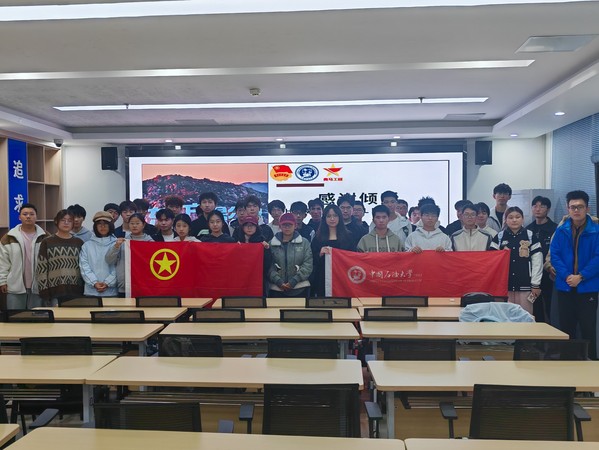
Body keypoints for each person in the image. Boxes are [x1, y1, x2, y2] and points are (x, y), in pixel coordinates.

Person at [550, 190, 599, 359]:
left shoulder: (596, 231)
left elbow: (597, 258)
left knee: (588, 328)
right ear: (568, 208)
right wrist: (567, 276)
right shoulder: (561, 230)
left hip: (588, 287)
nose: (576, 210)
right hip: (565, 285)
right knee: (566, 328)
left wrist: (581, 276)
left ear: (587, 208)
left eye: (580, 207)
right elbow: (555, 255)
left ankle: (590, 362)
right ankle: (567, 362)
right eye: (573, 207)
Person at [491, 206, 542, 315]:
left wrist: (535, 284)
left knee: (525, 317)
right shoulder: (499, 237)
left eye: (518, 217)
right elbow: (492, 261)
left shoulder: (530, 236)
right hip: (505, 286)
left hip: (525, 285)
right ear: (505, 220)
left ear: (523, 219)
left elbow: (537, 262)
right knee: (505, 317)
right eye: (510, 217)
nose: (514, 220)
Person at [0, 203, 49, 309]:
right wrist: (2, 281)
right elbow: (3, 262)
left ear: (36, 217)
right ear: (19, 217)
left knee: (36, 316)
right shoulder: (9, 237)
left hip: (39, 286)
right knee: (15, 316)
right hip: (15, 285)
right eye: (25, 214)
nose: (28, 216)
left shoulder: (45, 237)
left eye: (31, 214)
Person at [36, 209, 84, 305]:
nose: (66, 223)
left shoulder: (79, 242)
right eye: (63, 220)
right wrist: (44, 290)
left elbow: (83, 266)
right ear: (56, 221)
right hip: (54, 291)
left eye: (69, 220)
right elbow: (42, 268)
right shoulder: (47, 242)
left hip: (76, 290)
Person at [311, 204, 356, 296]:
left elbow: (353, 258)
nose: (332, 219)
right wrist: (319, 254)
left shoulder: (348, 237)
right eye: (329, 216)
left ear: (339, 217)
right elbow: (311, 259)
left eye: (335, 216)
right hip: (323, 278)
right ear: (324, 218)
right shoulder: (318, 238)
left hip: (343, 277)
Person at [526, 195, 558, 322]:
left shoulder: (555, 229)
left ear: (548, 209)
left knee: (551, 305)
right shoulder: (528, 229)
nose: (538, 209)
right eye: (535, 206)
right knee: (534, 305)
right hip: (533, 275)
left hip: (549, 273)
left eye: (542, 206)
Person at [106, 212, 154, 296]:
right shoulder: (122, 242)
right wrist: (116, 246)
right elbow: (109, 260)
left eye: (137, 223)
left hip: (145, 286)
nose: (134, 226)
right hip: (125, 286)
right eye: (132, 223)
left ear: (143, 225)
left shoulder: (151, 243)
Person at [268, 213, 313, 297]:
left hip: (300, 288)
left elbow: (308, 264)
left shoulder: (304, 243)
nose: (287, 227)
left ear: (295, 226)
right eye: (284, 225)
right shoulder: (271, 244)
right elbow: (269, 265)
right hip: (276, 289)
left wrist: (295, 280)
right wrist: (278, 281)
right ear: (280, 226)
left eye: (290, 224)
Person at [79, 211, 118, 297]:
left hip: (111, 292)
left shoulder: (117, 244)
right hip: (91, 292)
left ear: (110, 225)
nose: (102, 227)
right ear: (95, 226)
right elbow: (84, 266)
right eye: (99, 224)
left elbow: (119, 267)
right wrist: (94, 282)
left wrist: (108, 282)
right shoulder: (87, 245)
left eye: (105, 224)